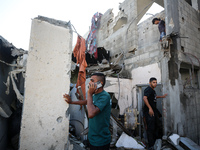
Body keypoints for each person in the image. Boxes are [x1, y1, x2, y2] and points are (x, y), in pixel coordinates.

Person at [63, 73, 111, 150]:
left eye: (92, 80)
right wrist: (71, 102)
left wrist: (89, 93)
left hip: (101, 140)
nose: (89, 82)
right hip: (92, 137)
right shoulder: (95, 95)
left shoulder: (105, 96)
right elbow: (86, 101)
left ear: (100, 84)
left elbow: (91, 114)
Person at [143, 77, 167, 150]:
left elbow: (154, 97)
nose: (155, 84)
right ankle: (151, 146)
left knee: (157, 126)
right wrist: (150, 108)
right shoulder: (148, 89)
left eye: (156, 82)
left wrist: (162, 96)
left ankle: (156, 143)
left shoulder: (152, 91)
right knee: (150, 129)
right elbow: (144, 98)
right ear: (150, 83)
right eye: (154, 82)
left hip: (154, 111)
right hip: (150, 112)